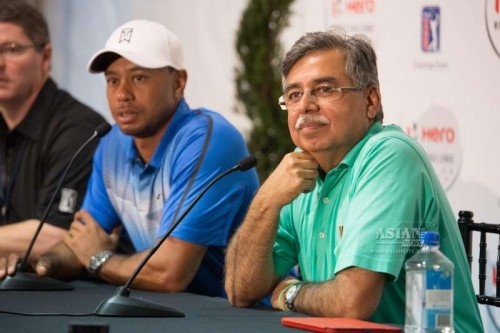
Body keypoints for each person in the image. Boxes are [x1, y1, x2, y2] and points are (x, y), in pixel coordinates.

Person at [224, 29, 483, 332]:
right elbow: (240, 289)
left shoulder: (390, 156)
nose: (306, 105)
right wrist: (266, 200)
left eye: (324, 89)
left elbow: (352, 303)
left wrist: (289, 292)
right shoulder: (300, 166)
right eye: (294, 95)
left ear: (370, 100)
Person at [1, 19, 259, 298]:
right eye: (113, 80)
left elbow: (170, 274)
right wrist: (37, 265)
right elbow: (81, 242)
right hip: (172, 311)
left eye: (138, 78)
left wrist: (99, 260)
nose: (122, 94)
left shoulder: (206, 140)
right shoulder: (112, 143)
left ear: (178, 83)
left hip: (239, 311)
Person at [0, 0, 106, 257]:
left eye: (11, 49)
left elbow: (55, 234)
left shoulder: (78, 129)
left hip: (72, 289)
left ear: (46, 57)